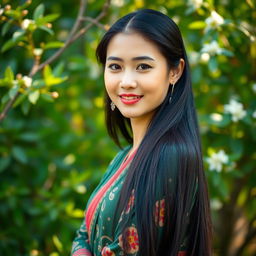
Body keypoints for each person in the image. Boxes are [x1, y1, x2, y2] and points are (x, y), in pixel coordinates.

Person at [71, 9, 212, 256]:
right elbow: (84, 233)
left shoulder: (171, 156)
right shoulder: (124, 156)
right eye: (115, 66)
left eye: (143, 66)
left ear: (174, 71)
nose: (126, 81)